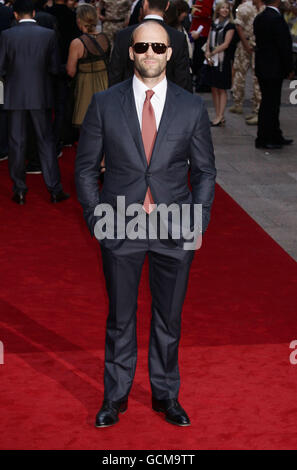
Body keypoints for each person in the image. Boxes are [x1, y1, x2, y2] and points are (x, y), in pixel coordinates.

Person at [75, 20, 216, 428]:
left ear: (170, 53)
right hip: (120, 225)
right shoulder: (104, 103)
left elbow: (206, 171)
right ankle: (114, 397)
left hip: (176, 225)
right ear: (131, 53)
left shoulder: (191, 107)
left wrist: (199, 221)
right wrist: (95, 217)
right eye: (142, 48)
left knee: (168, 318)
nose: (150, 54)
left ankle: (165, 395)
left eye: (158, 47)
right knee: (120, 317)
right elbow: (85, 170)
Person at [0, 0, 69, 204]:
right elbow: (55, 68)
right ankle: (54, 190)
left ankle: (19, 190)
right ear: (33, 12)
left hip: (14, 95)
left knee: (16, 142)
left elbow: (1, 68)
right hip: (41, 94)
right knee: (46, 142)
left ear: (15, 15)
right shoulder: (48, 35)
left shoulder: (6, 35)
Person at [108, 0, 192, 92]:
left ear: (145, 4)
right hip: (169, 100)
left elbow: (115, 74)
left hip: (128, 99)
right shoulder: (178, 37)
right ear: (167, 6)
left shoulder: (123, 35)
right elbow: (182, 77)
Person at [254, 0, 294, 149]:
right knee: (270, 104)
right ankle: (265, 137)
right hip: (274, 68)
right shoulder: (276, 19)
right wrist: (289, 67)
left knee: (269, 102)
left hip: (263, 66)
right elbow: (284, 46)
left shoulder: (260, 17)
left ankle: (275, 134)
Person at [66, 3, 110, 127]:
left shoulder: (77, 43)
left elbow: (70, 71)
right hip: (104, 86)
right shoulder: (105, 38)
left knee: (86, 126)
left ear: (79, 21)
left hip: (85, 88)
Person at [229, 0, 264, 125]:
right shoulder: (263, 6)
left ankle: (238, 103)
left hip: (246, 44)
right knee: (256, 77)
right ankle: (257, 108)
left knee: (240, 72)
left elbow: (238, 26)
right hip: (258, 44)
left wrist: (245, 43)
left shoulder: (243, 7)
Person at [204, 1, 235, 126]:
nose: (225, 10)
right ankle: (217, 115)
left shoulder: (230, 26)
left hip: (222, 60)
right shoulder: (213, 23)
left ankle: (221, 115)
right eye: (222, 7)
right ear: (217, 10)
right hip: (212, 60)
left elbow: (226, 44)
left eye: (227, 8)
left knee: (221, 88)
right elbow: (208, 39)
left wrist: (211, 53)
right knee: (214, 87)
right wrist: (206, 51)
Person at [190, 0, 215, 92]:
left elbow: (205, 13)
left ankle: (200, 81)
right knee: (199, 58)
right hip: (200, 31)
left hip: (202, 30)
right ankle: (200, 81)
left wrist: (194, 11)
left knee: (200, 58)